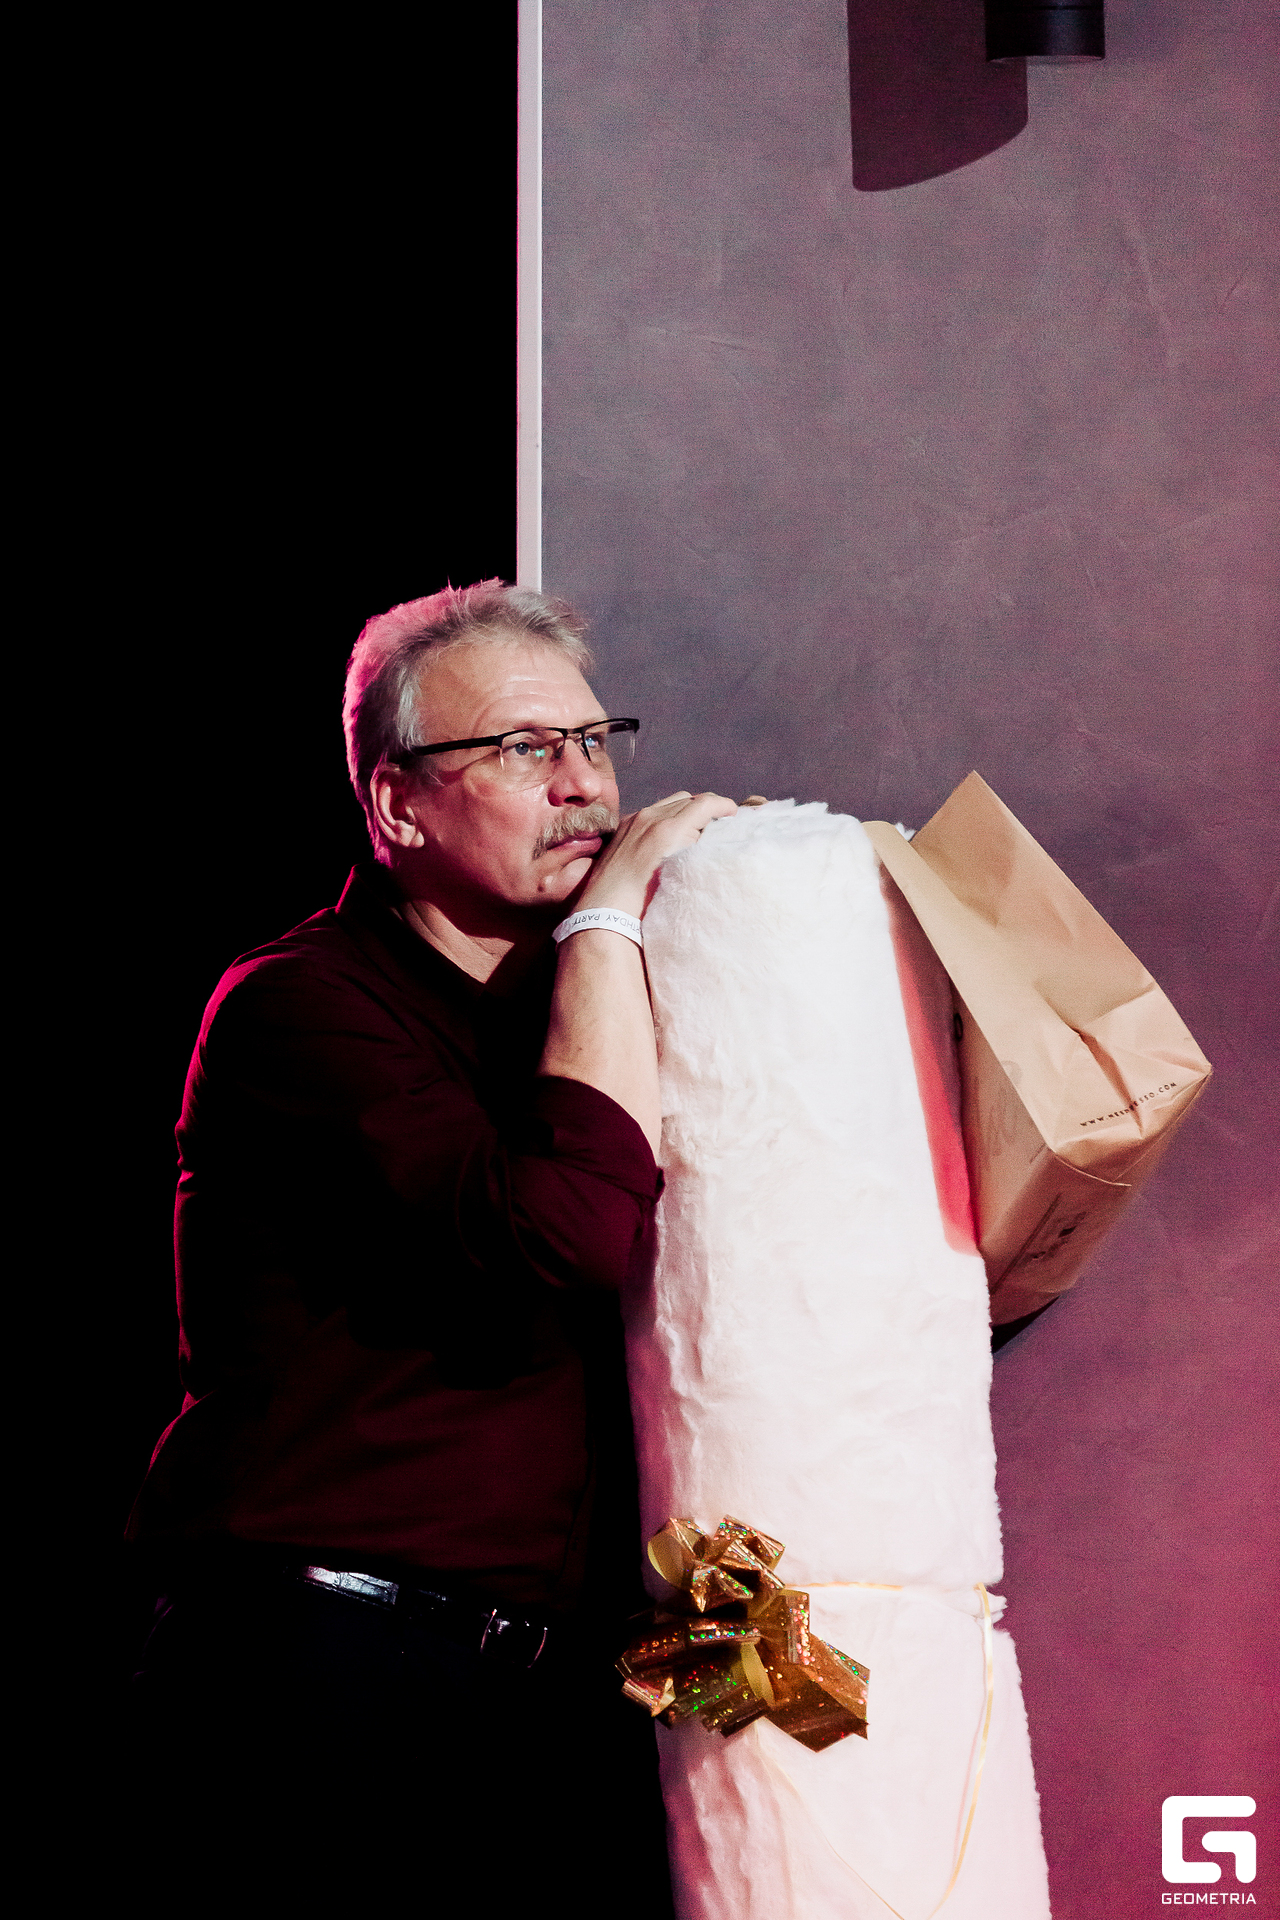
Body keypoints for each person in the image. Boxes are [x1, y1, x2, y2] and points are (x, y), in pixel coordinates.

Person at [123, 580, 735, 1911]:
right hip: (327, 1674)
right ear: (400, 804)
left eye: (594, 740)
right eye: (524, 748)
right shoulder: (300, 1008)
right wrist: (607, 927)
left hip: (553, 1699)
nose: (583, 785)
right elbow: (562, 1234)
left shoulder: (599, 1021)